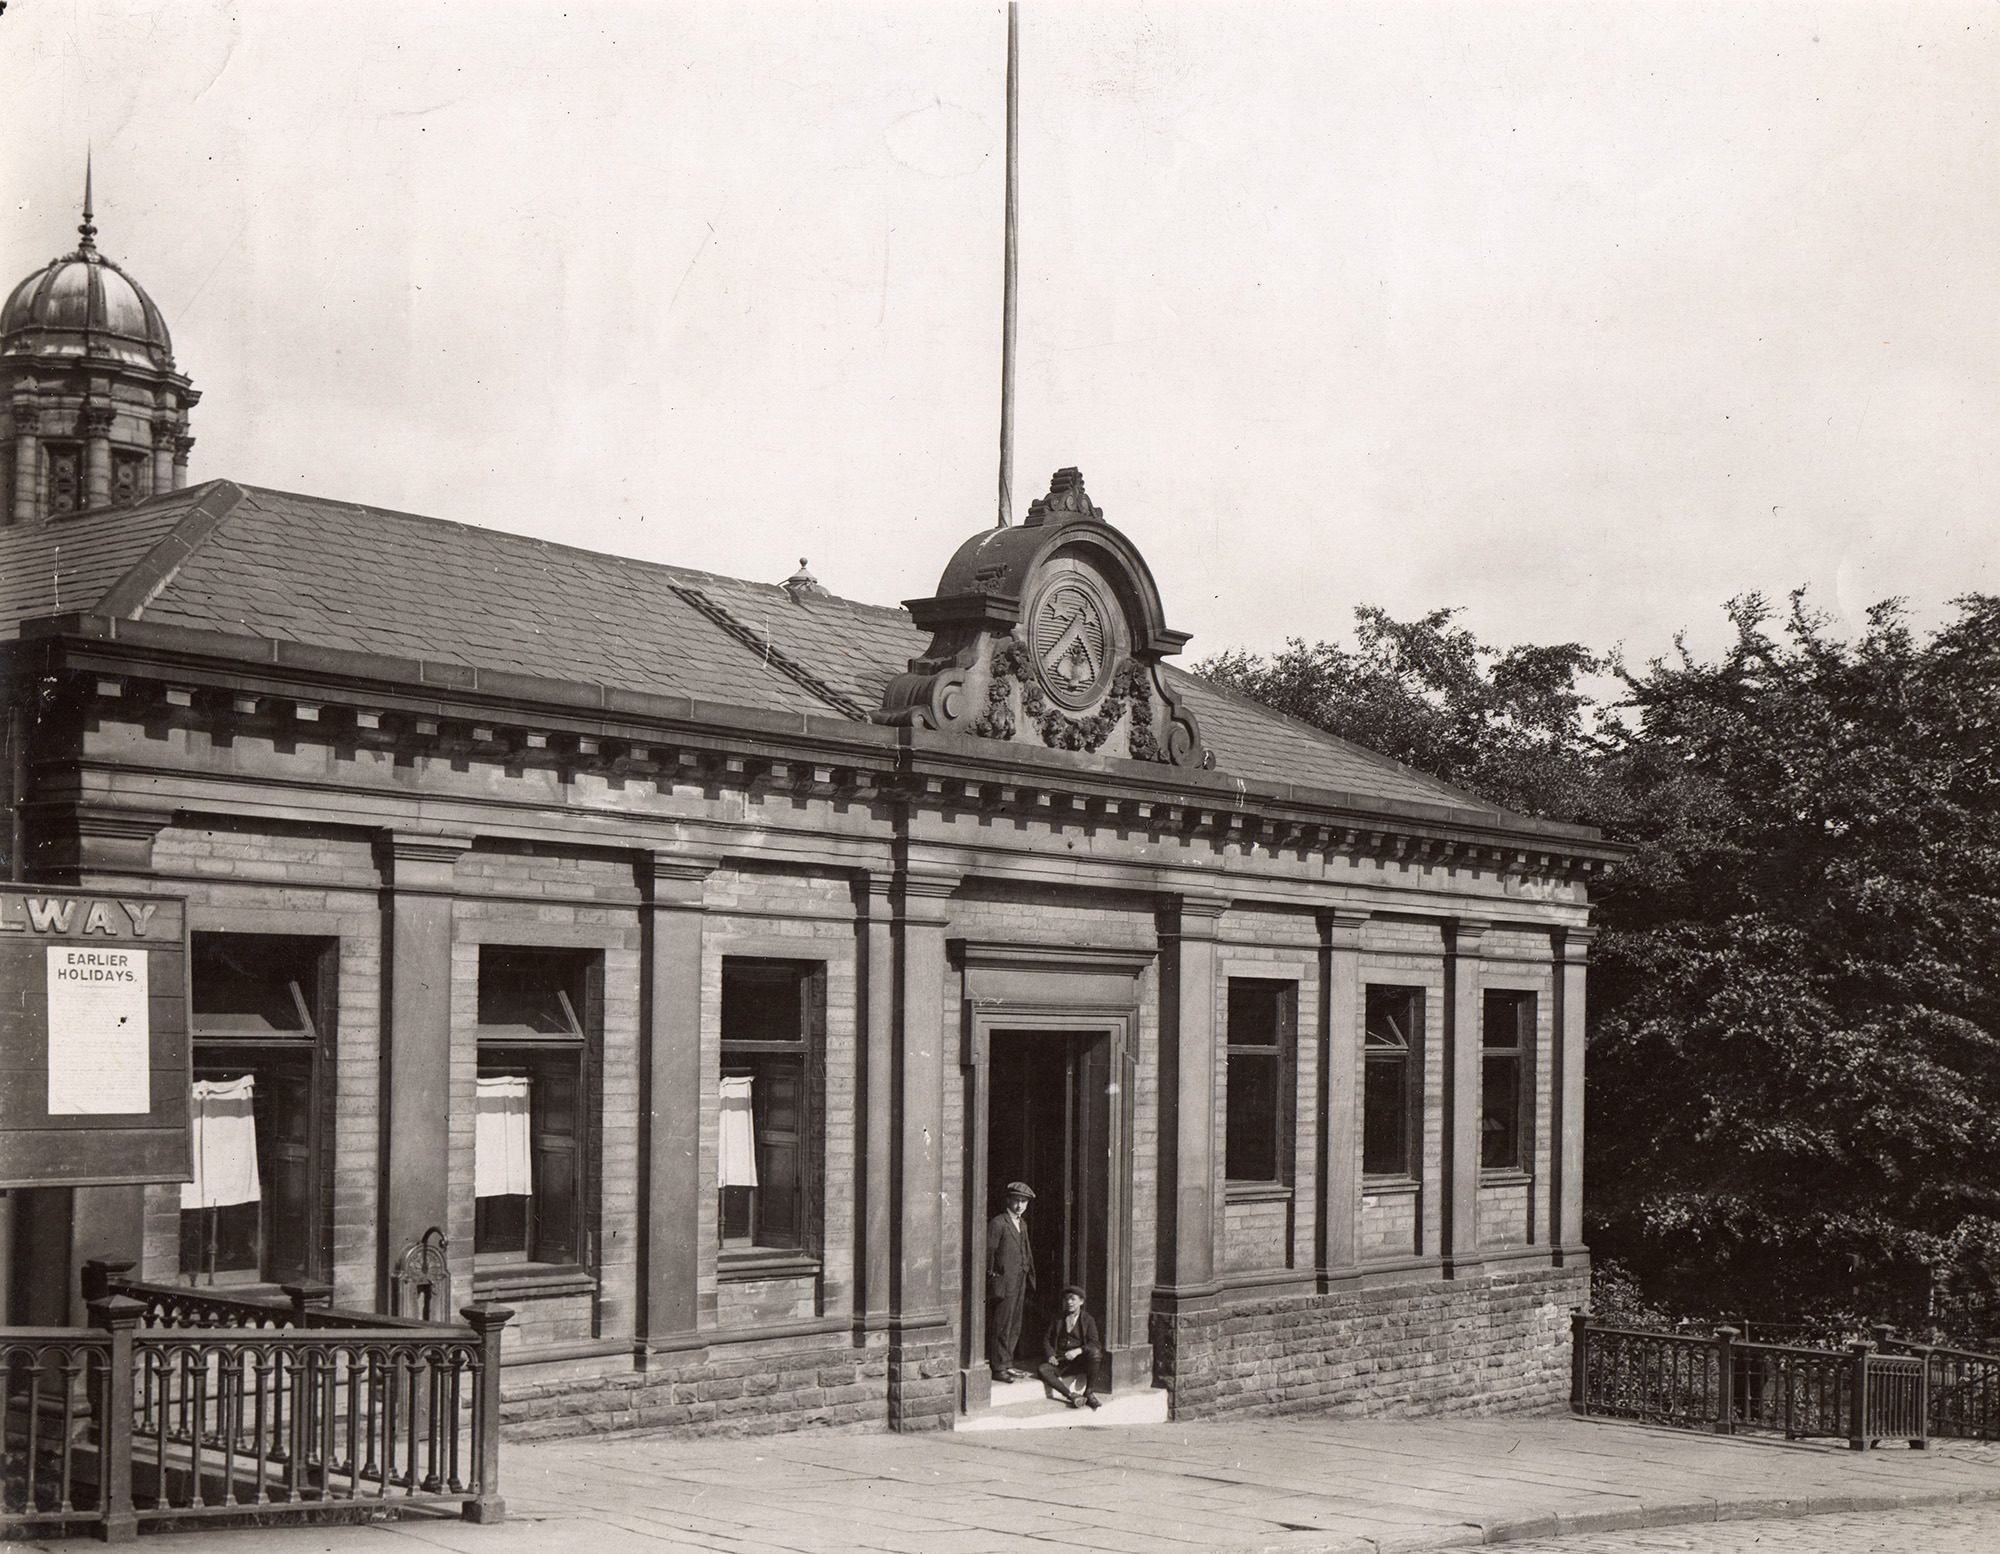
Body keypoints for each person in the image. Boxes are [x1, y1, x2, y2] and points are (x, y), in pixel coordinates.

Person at [986, 1181, 1036, 1381]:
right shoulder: (998, 1223)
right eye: (1016, 1201)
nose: (1019, 1206)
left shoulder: (1022, 1224)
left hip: (1020, 1280)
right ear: (1008, 1200)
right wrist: (993, 1277)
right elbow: (989, 1253)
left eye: (1023, 1202)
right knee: (1002, 1323)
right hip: (1004, 1282)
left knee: (1015, 1323)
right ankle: (998, 1367)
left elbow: (1027, 1252)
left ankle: (1008, 1362)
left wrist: (1029, 1273)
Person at [1037, 1283, 1103, 1409]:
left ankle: (1089, 1392)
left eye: (1073, 1299)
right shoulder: (1058, 1318)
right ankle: (1072, 1396)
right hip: (1061, 1360)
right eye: (1067, 1299)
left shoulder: (1088, 1320)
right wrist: (1051, 1355)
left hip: (1079, 1361)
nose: (1069, 1302)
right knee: (1043, 1369)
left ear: (1081, 1301)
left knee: (1095, 1353)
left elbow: (1095, 1343)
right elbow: (1046, 1339)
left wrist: (1078, 1351)